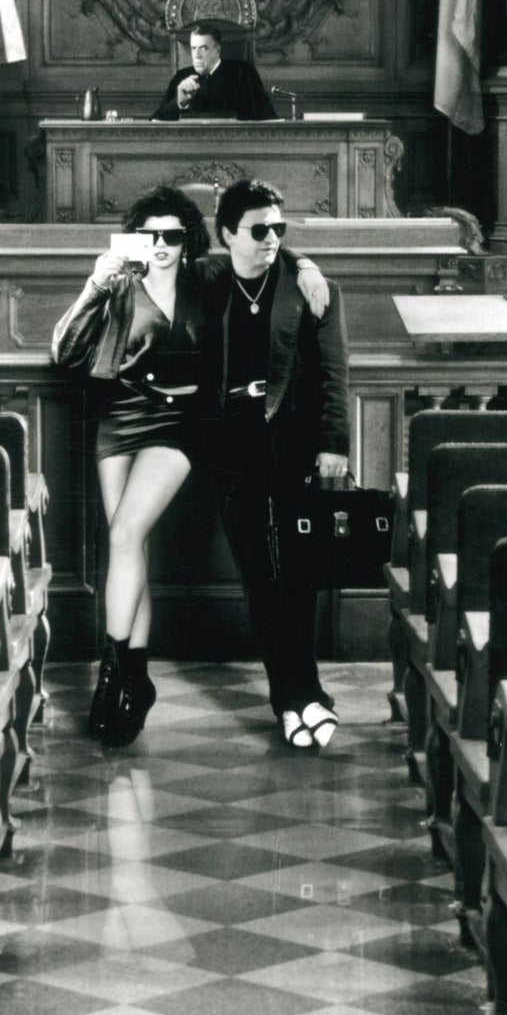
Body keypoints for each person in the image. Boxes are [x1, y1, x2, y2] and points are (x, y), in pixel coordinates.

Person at [50, 184, 329, 747]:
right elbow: (65, 351)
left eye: (172, 235)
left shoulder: (207, 278)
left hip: (180, 424)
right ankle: (135, 679)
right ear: (135, 238)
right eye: (149, 235)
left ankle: (113, 673)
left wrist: (307, 263)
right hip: (120, 418)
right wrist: (95, 282)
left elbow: (263, 250)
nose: (160, 245)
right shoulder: (120, 283)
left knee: (126, 533)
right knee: (129, 545)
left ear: (189, 240)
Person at [193, 178, 352, 750]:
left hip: (296, 445)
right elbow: (156, 258)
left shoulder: (313, 288)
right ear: (226, 234)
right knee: (261, 577)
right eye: (258, 228)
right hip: (230, 449)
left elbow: (334, 373)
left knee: (297, 573)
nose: (271, 238)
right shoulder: (206, 280)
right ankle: (297, 698)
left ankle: (298, 695)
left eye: (279, 228)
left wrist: (335, 443)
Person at [150, 21, 280, 122]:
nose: (197, 56)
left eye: (203, 48)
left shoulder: (243, 72)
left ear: (217, 49)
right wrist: (180, 102)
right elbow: (156, 121)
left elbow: (267, 119)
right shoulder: (182, 76)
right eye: (193, 48)